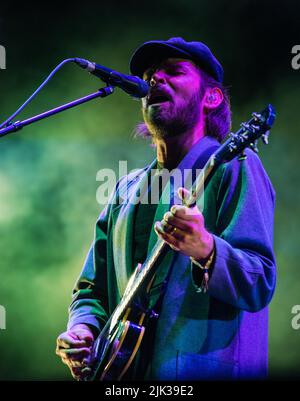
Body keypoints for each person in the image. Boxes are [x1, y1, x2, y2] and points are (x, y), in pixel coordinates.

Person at [56, 37, 276, 380]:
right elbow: (91, 289)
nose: (155, 79)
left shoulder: (236, 166)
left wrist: (206, 249)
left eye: (173, 72)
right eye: (149, 74)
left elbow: (260, 280)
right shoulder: (125, 189)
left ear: (211, 96)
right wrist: (83, 329)